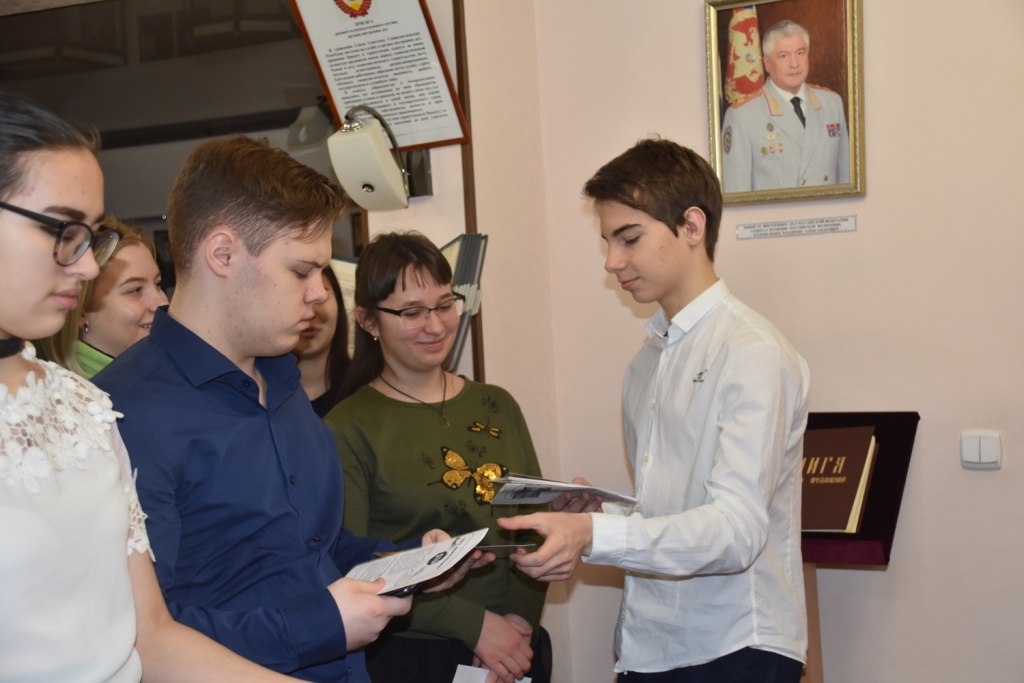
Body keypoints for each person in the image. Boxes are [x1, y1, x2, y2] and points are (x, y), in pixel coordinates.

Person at [94, 137, 486, 683]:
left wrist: (401, 564)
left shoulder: (282, 381)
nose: (320, 294)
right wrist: (320, 623)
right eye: (302, 271)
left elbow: (314, 550)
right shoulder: (122, 413)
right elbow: (139, 636)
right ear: (223, 254)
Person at [0, 89, 306, 682]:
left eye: (92, 237)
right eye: (63, 230)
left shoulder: (82, 406)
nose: (87, 266)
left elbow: (151, 638)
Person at [499, 139, 810, 682]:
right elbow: (668, 513)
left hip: (735, 645)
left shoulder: (752, 351)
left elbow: (735, 530)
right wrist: (597, 516)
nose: (612, 261)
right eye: (607, 242)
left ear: (692, 226)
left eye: (629, 238)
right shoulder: (646, 362)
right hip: (648, 645)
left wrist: (594, 535)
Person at [325, 232, 548, 683]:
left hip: (516, 646)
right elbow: (357, 566)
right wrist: (475, 626)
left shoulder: (497, 404)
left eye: (445, 305)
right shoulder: (347, 426)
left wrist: (518, 622)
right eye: (412, 312)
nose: (436, 326)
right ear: (368, 321)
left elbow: (535, 521)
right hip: (413, 652)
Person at [721, 20, 850, 193]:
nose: (794, 64)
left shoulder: (832, 103)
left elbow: (846, 181)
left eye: (800, 53)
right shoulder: (742, 115)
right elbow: (735, 191)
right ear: (767, 64)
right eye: (783, 56)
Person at [37, 217, 167, 378]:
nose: (162, 302)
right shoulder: (81, 392)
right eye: (135, 290)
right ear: (80, 311)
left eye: (158, 284)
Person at [292, 263, 350, 417]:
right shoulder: (257, 392)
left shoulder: (364, 389)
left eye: (320, 298)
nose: (310, 313)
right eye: (296, 298)